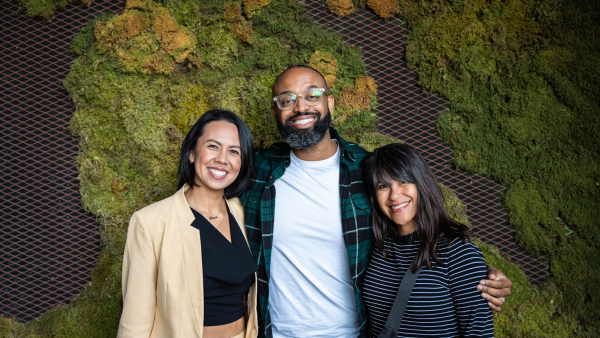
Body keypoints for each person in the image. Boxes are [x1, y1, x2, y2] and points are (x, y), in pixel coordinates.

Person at [241, 65, 512, 338]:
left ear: (330, 103)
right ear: (276, 112)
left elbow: (415, 228)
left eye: (312, 95)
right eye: (287, 100)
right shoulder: (255, 170)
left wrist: (476, 274)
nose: (301, 107)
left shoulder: (367, 169)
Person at [117, 110, 259, 338]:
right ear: (192, 153)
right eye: (213, 146)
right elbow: (135, 321)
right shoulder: (151, 222)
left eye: (234, 151)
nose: (222, 159)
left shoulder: (243, 213)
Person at [361, 143, 494, 337]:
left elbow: (479, 333)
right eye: (383, 186)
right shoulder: (377, 247)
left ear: (421, 183)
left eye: (403, 181)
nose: (394, 195)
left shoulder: (458, 252)